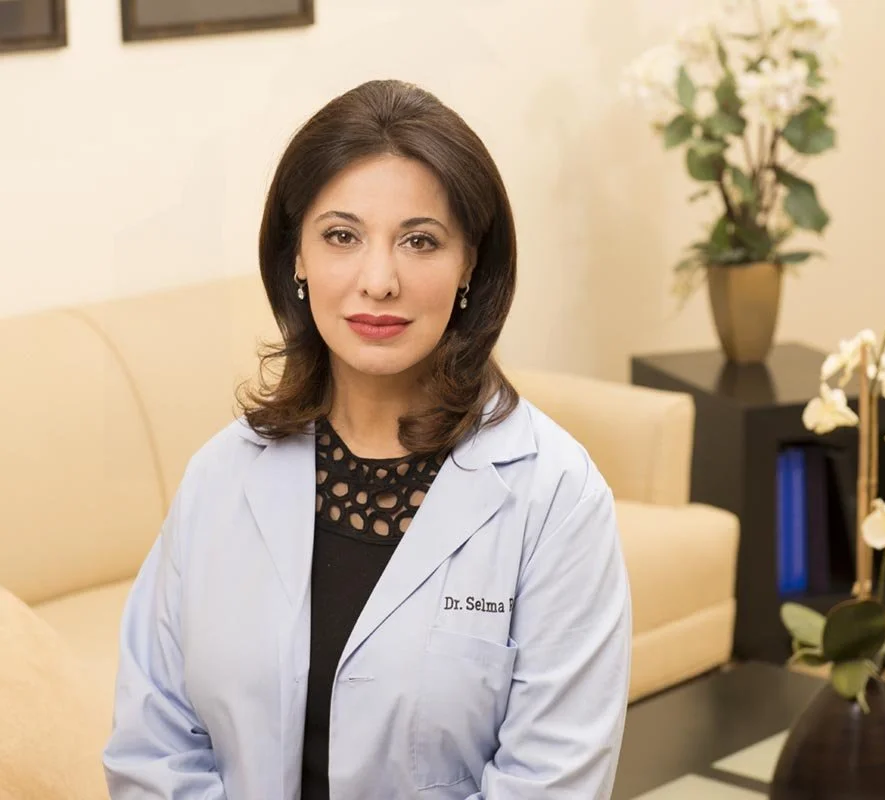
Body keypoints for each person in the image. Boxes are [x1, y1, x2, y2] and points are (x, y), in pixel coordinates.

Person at [102, 78, 632, 799]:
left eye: (420, 241)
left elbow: (550, 783)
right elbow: (152, 746)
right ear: (297, 256)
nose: (378, 281)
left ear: (471, 263)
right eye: (342, 236)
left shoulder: (555, 498)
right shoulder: (220, 478)